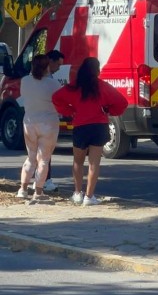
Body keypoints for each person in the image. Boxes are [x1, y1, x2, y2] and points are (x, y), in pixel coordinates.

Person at [52, 57, 128, 206]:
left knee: (77, 162)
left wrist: (70, 111)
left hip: (80, 126)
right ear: (97, 71)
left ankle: (77, 193)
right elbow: (122, 102)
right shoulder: (103, 86)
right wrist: (109, 110)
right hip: (98, 126)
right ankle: (89, 196)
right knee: (94, 164)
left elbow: (56, 98)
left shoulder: (74, 87)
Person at [16, 55, 62, 200]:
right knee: (44, 159)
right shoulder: (53, 84)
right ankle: (38, 191)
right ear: (47, 67)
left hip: (29, 121)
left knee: (31, 157)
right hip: (49, 122)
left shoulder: (25, 81)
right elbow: (59, 100)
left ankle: (22, 189)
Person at [40, 49, 65, 192]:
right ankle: (45, 181)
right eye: (58, 65)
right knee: (45, 154)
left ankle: (40, 181)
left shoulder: (31, 78)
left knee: (39, 155)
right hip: (47, 120)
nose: (59, 68)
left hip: (33, 119)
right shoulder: (50, 81)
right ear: (50, 61)